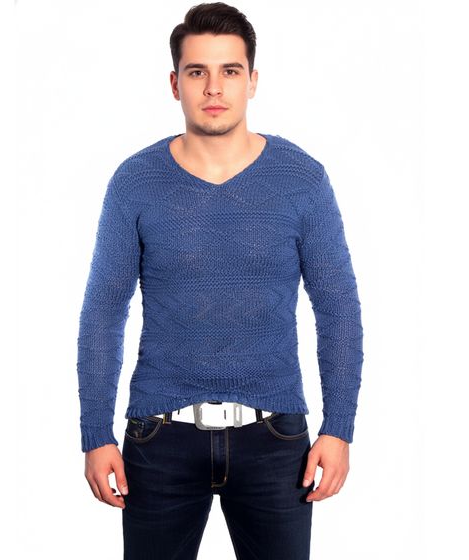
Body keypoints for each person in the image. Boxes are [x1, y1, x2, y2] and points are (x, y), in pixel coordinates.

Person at [76, 3, 364, 559]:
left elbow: (338, 308)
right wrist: (95, 432)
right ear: (175, 84)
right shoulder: (135, 182)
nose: (214, 87)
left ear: (252, 81)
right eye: (197, 72)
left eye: (230, 70)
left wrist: (339, 428)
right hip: (158, 438)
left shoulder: (301, 178)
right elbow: (103, 313)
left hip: (276, 440)